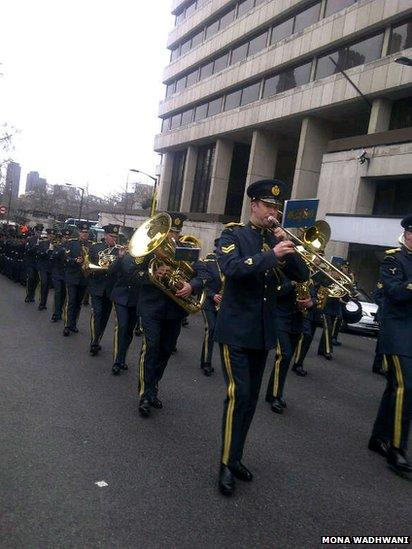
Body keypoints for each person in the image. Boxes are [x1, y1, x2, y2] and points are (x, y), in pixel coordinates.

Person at [214, 179, 309, 496]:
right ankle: (226, 464)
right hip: (236, 330)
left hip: (262, 332)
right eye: (268, 206)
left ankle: (236, 457)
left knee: (251, 401)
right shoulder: (232, 235)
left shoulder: (275, 237)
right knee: (238, 396)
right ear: (253, 204)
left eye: (277, 209)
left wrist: (286, 245)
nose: (273, 213)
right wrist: (272, 255)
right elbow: (233, 268)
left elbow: (302, 275)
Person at [136, 212, 204, 417]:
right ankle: (144, 394)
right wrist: (152, 276)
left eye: (175, 232)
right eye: (169, 232)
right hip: (151, 308)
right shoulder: (145, 251)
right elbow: (130, 274)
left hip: (174, 310)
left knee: (165, 351)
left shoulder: (187, 250)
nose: (172, 237)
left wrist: (191, 286)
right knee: (151, 348)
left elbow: (204, 273)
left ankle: (153, 387)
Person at [369, 214, 412, 475]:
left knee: (394, 387)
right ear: (407, 234)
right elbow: (395, 292)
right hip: (397, 332)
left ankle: (377, 437)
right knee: (406, 388)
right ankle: (397, 449)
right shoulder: (393, 260)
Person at [265, 275, 313, 413]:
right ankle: (275, 396)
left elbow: (314, 297)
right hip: (280, 321)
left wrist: (311, 303)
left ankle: (272, 393)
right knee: (283, 355)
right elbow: (275, 293)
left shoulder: (306, 277)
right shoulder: (281, 272)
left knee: (285, 360)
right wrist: (292, 282)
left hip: (297, 323)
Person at [110, 231, 141, 375]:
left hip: (135, 299)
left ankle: (122, 358)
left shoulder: (144, 258)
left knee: (129, 330)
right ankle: (117, 361)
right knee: (122, 327)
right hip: (121, 297)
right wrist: (119, 257)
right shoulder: (124, 256)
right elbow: (111, 271)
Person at [88, 224, 121, 356]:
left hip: (110, 288)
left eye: (116, 237)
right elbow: (89, 265)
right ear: (105, 236)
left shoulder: (119, 251)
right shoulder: (96, 247)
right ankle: (94, 341)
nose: (114, 239)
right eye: (112, 236)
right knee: (97, 313)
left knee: (105, 317)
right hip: (97, 286)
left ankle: (98, 338)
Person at [199, 238, 223, 377]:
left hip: (222, 304)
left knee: (216, 332)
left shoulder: (229, 263)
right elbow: (203, 282)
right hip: (208, 301)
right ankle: (207, 363)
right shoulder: (209, 262)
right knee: (211, 328)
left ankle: (204, 359)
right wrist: (213, 295)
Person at [63, 222, 91, 337]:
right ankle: (67, 325)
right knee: (71, 301)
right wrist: (74, 260)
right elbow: (65, 258)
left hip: (84, 278)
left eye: (86, 232)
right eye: (82, 232)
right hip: (72, 277)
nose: (84, 234)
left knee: (78, 303)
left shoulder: (90, 245)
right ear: (78, 232)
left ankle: (74, 324)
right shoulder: (71, 243)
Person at [50, 229, 69, 322]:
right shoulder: (58, 247)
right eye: (65, 237)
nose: (66, 239)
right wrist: (62, 250)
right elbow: (53, 256)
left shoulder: (71, 248)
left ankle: (60, 311)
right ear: (61, 239)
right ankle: (56, 313)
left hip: (66, 274)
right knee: (58, 293)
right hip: (57, 273)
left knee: (64, 295)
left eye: (67, 237)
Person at [36, 229, 54, 310]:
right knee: (44, 283)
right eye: (50, 235)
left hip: (51, 268)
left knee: (47, 286)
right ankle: (41, 303)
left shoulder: (56, 245)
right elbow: (40, 254)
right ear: (48, 235)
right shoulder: (43, 243)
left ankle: (44, 302)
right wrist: (48, 251)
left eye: (53, 235)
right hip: (43, 267)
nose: (51, 236)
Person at [24, 224, 42, 303]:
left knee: (36, 280)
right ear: (35, 231)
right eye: (37, 231)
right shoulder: (30, 239)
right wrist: (36, 246)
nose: (39, 233)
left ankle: (32, 295)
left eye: (40, 231)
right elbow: (28, 251)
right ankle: (28, 295)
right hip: (31, 263)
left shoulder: (43, 241)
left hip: (38, 264)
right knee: (30, 279)